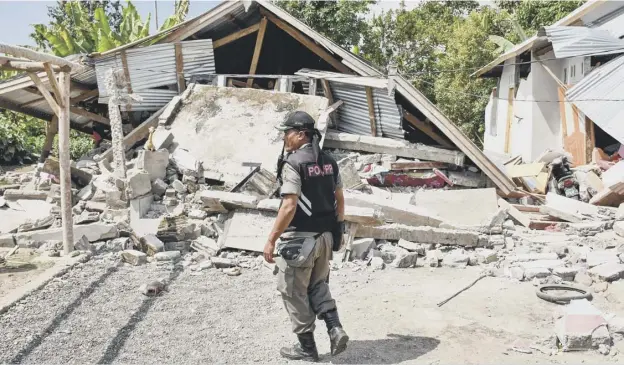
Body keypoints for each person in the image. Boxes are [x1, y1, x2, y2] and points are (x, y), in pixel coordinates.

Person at [263, 111, 349, 362]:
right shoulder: (330, 161)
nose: (284, 137)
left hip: (301, 242)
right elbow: (340, 199)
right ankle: (335, 328)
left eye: (287, 132)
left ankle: (307, 347)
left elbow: (289, 206)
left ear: (301, 134)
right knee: (318, 285)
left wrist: (271, 239)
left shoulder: (294, 163)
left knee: (293, 291)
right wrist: (339, 230)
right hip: (325, 238)